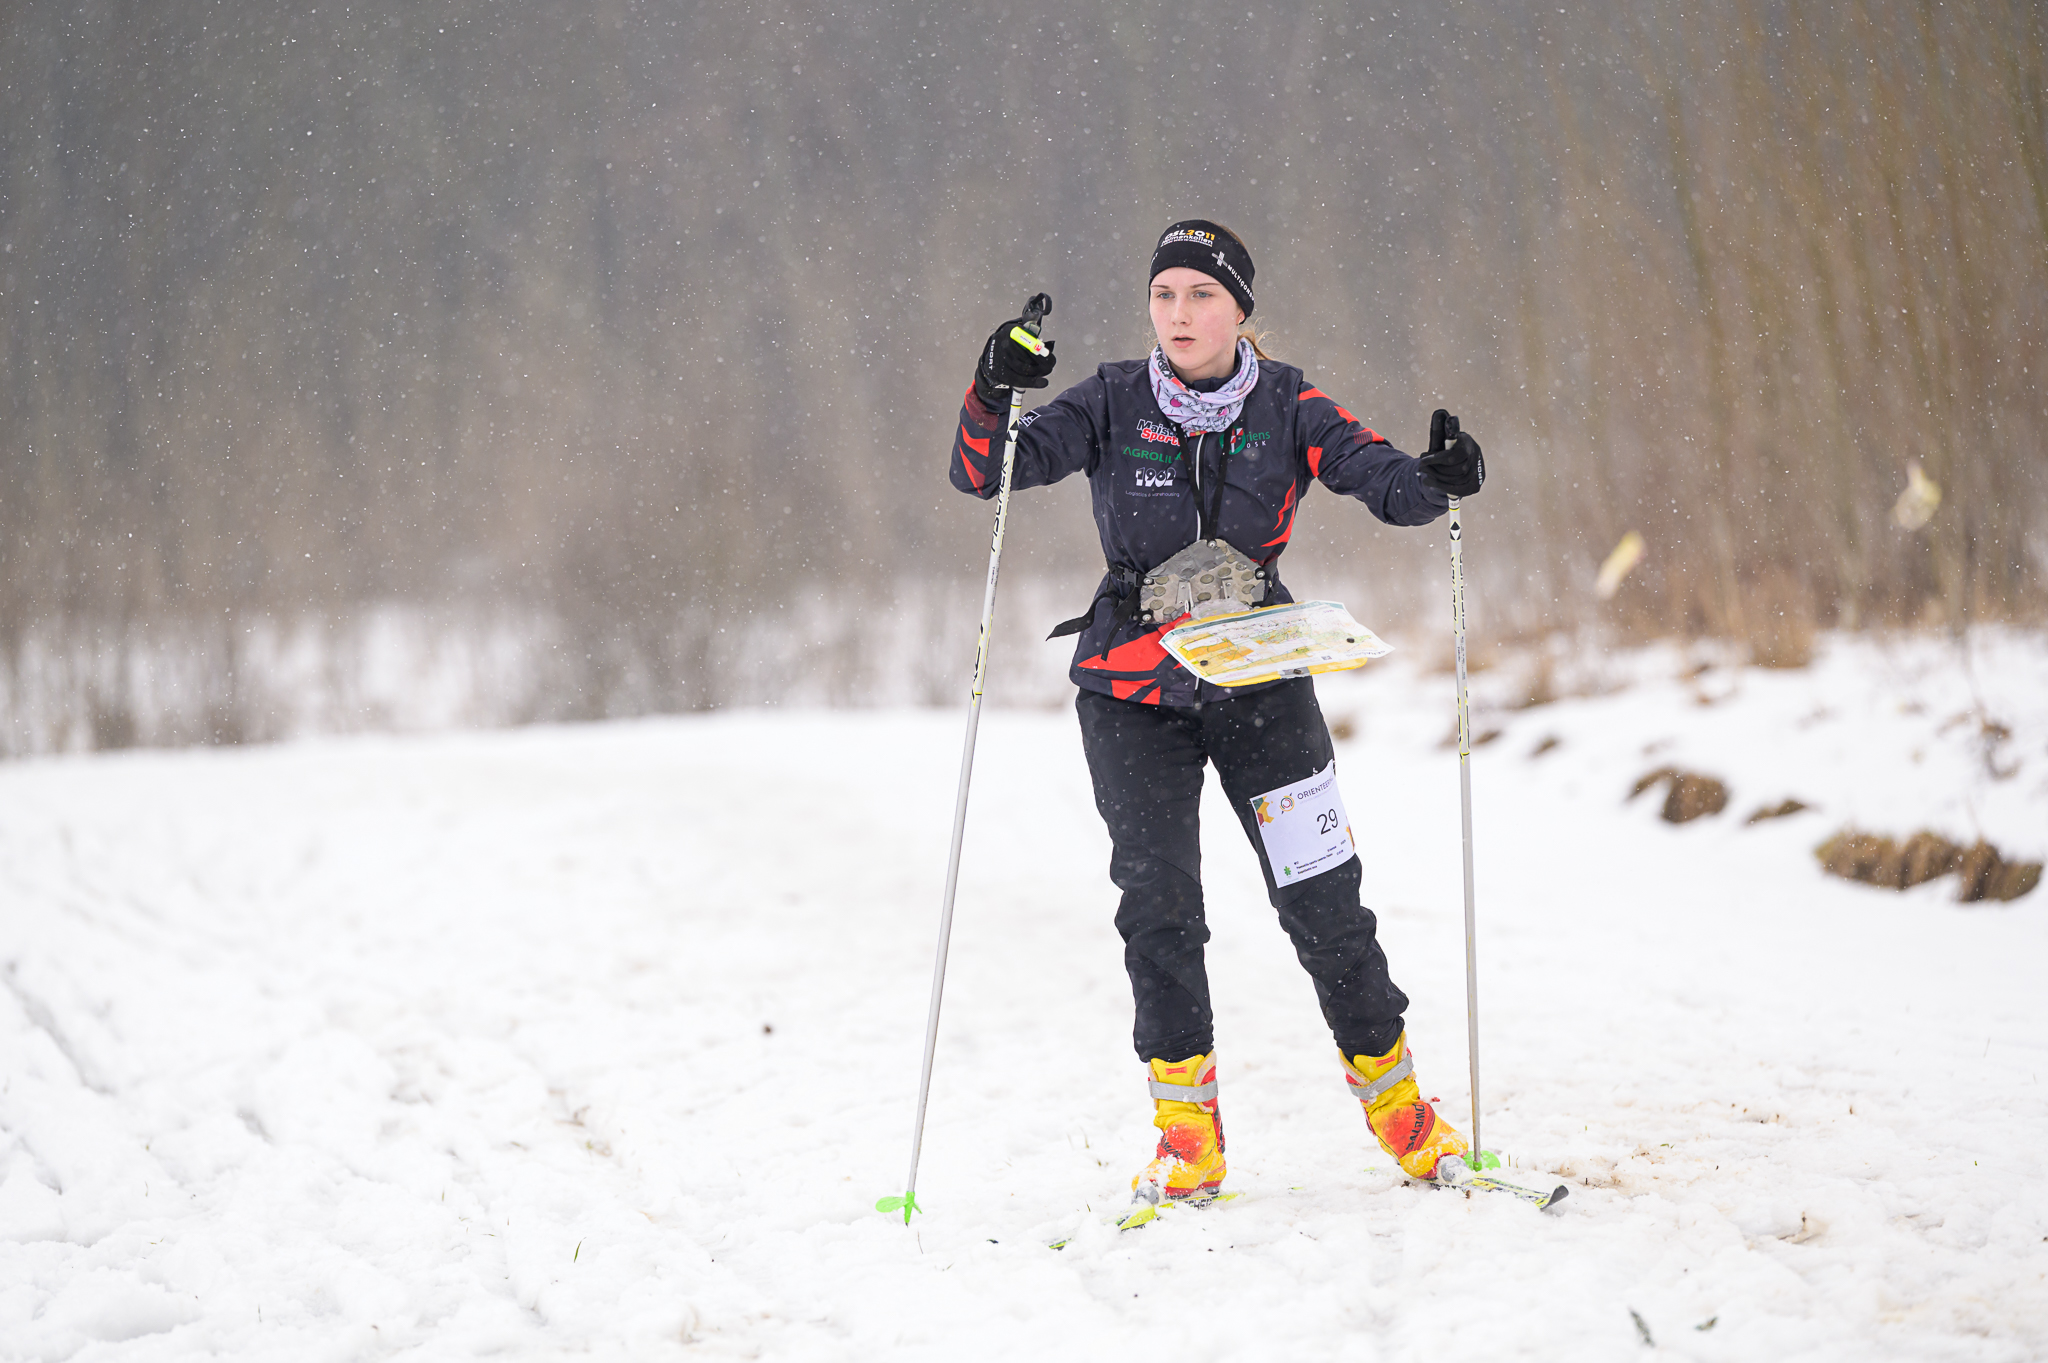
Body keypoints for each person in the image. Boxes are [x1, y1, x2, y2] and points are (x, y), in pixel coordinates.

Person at [947, 220, 1487, 1210]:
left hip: (1261, 681)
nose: (1180, 313)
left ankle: (1404, 1113)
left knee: (1323, 900)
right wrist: (993, 387)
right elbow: (987, 471)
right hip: (1131, 691)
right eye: (1164, 295)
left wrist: (1437, 478)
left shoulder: (1288, 404)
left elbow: (1383, 479)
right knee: (1159, 910)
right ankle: (1186, 1138)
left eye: (1201, 294)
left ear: (1240, 309)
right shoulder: (1112, 399)